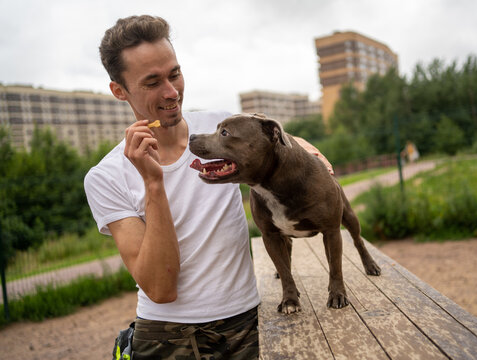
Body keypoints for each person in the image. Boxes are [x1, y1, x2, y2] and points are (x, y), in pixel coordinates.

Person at [84, 15, 332, 360]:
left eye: (174, 74)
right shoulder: (106, 177)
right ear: (119, 91)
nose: (172, 92)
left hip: (245, 324)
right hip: (165, 338)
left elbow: (274, 139)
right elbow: (160, 287)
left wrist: (308, 150)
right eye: (152, 82)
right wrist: (154, 184)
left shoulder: (218, 133)